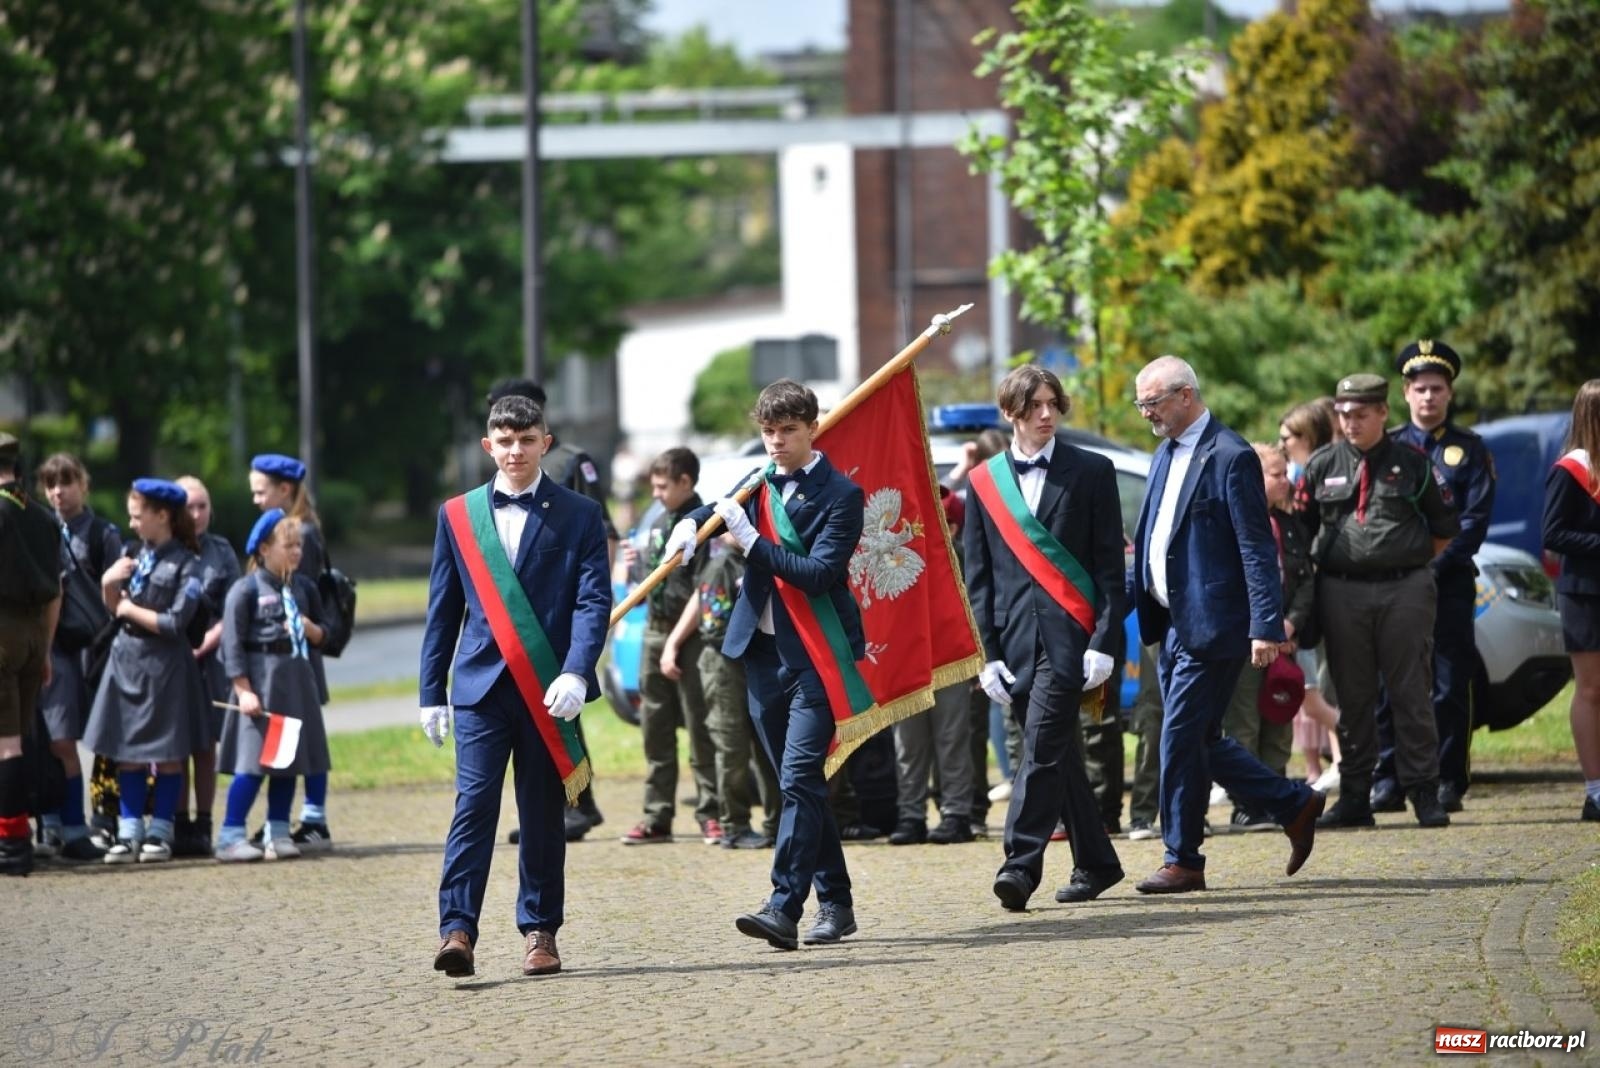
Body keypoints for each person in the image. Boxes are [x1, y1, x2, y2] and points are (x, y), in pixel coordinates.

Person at [663, 379, 864, 950]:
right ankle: (837, 902)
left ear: (813, 429)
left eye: (788, 431)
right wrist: (690, 522)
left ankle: (782, 906)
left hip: (817, 655)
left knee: (799, 778)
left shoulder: (842, 495)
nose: (776, 442)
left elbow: (818, 574)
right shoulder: (759, 481)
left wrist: (752, 543)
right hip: (761, 651)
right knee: (799, 785)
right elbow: (716, 509)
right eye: (768, 431)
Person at [419, 394, 610, 979]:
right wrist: (430, 692)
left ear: (545, 443)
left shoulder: (580, 514)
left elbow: (592, 602)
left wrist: (577, 670)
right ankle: (457, 930)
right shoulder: (458, 515)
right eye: (505, 441)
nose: (516, 451)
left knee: (542, 813)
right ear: (488, 446)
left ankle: (540, 931)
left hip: (548, 688)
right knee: (473, 808)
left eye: (527, 440)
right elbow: (442, 611)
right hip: (480, 689)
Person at [1129, 356, 1323, 894]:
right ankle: (1294, 803)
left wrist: (1265, 625)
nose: (1146, 414)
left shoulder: (1231, 455)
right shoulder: (1164, 453)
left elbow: (1256, 548)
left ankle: (1182, 858)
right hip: (1170, 622)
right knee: (1201, 739)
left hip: (1214, 625)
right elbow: (1156, 539)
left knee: (1178, 737)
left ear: (1185, 395)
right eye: (1140, 404)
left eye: (1152, 402)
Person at [962, 365, 1125, 910]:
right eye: (1034, 406)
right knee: (1059, 756)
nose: (1046, 414)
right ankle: (1097, 862)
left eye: (1053, 403)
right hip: (1013, 643)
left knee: (1040, 749)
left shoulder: (1092, 470)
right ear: (1010, 412)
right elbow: (979, 578)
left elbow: (1109, 570)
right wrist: (987, 655)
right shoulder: (984, 482)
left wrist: (1103, 641)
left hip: (1071, 640)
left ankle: (1019, 863)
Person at [1299, 373, 1460, 830]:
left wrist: (1402, 562)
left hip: (1403, 588)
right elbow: (1302, 532)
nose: (1351, 423)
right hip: (1340, 591)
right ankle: (1355, 794)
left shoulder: (1413, 463)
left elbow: (1444, 528)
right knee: (1352, 696)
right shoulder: (1322, 464)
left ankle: (1424, 791)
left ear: (1384, 413)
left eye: (1361, 414)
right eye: (1344, 415)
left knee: (1411, 691)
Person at [1371, 341, 1495, 815]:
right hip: (1394, 586)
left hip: (1449, 585)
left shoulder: (1471, 449)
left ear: (1450, 393)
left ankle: (1448, 779)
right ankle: (1389, 778)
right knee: (1390, 684)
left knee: (1448, 685)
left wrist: (1427, 568)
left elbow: (1473, 524)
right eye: (1420, 388)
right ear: (1405, 392)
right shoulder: (1386, 448)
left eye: (1437, 389)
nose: (1428, 397)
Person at [487, 379, 611, 842]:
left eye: (526, 432)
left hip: (560, 619)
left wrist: (599, 598)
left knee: (561, 713)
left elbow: (601, 530)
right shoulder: (493, 479)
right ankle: (573, 803)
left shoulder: (572, 462)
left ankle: (577, 803)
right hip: (509, 630)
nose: (515, 447)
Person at [81, 479, 206, 865]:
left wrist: (128, 609)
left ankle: (160, 831)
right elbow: (113, 610)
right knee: (127, 751)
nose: (132, 524)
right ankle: (129, 829)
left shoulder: (188, 564)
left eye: (138, 516)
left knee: (167, 753)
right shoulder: (132, 554)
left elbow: (175, 622)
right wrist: (108, 584)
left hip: (165, 664)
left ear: (162, 515)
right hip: (127, 659)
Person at [215, 508, 330, 861]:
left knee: (288, 763)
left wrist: (313, 630)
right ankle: (230, 834)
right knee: (253, 765)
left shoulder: (299, 588)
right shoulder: (245, 590)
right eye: (288, 546)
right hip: (261, 691)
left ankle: (277, 832)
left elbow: (322, 634)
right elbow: (231, 646)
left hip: (294, 689)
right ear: (264, 549)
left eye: (299, 546)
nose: (296, 552)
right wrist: (243, 689)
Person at [622, 447, 720, 845]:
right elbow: (645, 590)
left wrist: (673, 644)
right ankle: (656, 815)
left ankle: (711, 812)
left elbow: (703, 591)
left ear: (685, 482)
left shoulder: (705, 524)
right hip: (654, 629)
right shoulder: (659, 522)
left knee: (701, 725)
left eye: (663, 487)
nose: (656, 494)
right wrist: (634, 566)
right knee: (655, 728)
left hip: (690, 636)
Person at [1217, 443, 1313, 830]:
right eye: (1276, 474)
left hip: (1284, 640)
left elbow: (1305, 580)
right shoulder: (1231, 522)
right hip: (1246, 641)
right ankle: (1247, 805)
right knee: (1244, 722)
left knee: (1279, 717)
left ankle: (1278, 799)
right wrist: (1264, 628)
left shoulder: (1289, 524)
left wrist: (1290, 625)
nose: (1285, 481)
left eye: (1285, 472)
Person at [34, 453, 122, 860]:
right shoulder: (39, 528)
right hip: (55, 645)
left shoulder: (103, 533)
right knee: (57, 738)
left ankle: (97, 822)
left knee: (102, 738)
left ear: (83, 485)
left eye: (66, 482)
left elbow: (118, 592)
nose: (58, 492)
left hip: (95, 646)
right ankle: (59, 824)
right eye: (51, 484)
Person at [248, 453, 333, 849]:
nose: (255, 500)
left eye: (260, 492)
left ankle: (314, 819)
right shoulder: (289, 527)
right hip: (292, 652)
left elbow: (300, 592)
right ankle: (283, 822)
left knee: (308, 739)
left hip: (300, 653)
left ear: (284, 490)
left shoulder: (302, 533)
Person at [682, 532, 779, 849]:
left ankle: (777, 823)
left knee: (767, 745)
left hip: (755, 664)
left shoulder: (758, 560)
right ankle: (734, 826)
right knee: (732, 745)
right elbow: (713, 626)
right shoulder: (721, 566)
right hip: (724, 666)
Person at [0, 433, 63, 876]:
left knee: (5, 744)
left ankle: (11, 844)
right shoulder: (42, 517)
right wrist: (45, 649)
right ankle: (17, 836)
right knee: (17, 740)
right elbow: (56, 592)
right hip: (33, 635)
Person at [1542, 379, 1600, 822]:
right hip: (1585, 592)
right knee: (1592, 689)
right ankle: (1596, 789)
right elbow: (1554, 533)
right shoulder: (1572, 469)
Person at [173, 474, 241, 857]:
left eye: (202, 506)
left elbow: (235, 606)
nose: (196, 514)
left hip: (210, 659)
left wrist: (207, 641)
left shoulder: (222, 550)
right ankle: (177, 823)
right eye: (189, 507)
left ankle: (203, 823)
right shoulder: (166, 548)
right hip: (172, 658)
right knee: (175, 744)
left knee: (205, 744)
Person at [1279, 401, 1343, 791]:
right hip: (1309, 594)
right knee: (1314, 691)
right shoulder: (1303, 473)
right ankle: (1340, 759)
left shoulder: (1314, 474)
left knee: (1319, 688)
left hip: (1319, 595)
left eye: (1287, 437)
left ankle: (1351, 754)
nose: (1282, 444)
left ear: (1307, 437)